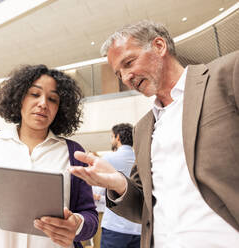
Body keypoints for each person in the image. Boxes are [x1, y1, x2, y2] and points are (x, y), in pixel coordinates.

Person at [69, 20, 239, 248]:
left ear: (159, 46)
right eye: (119, 74)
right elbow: (144, 208)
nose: (127, 78)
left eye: (129, 62)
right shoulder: (142, 128)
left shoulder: (228, 74)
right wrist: (119, 183)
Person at [0, 64, 98, 248]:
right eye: (35, 94)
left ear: (60, 108)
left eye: (52, 99)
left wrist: (77, 224)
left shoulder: (73, 152)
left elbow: (90, 220)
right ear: (19, 99)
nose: (43, 103)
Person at [100, 123, 141, 248]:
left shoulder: (108, 158)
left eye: (112, 137)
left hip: (114, 226)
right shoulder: (141, 158)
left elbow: (99, 189)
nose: (112, 140)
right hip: (138, 227)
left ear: (117, 137)